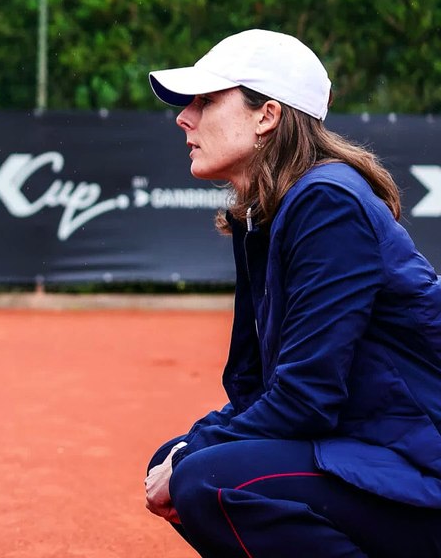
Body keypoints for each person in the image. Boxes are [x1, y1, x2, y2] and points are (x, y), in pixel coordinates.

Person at [143, 28, 441, 557]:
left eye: (206, 101)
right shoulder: (267, 214)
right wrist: (191, 444)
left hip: (420, 464)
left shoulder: (327, 203)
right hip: (373, 446)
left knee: (204, 478)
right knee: (175, 460)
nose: (184, 118)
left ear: (267, 116)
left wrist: (192, 455)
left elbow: (307, 398)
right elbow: (257, 386)